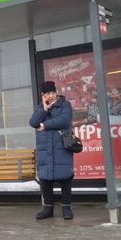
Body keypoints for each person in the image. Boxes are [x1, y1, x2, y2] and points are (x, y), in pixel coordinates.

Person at [29, 81, 75, 220]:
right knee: (45, 180)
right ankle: (47, 209)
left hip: (61, 146)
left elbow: (64, 120)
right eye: (47, 94)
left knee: (65, 178)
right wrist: (44, 108)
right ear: (43, 95)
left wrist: (45, 125)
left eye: (52, 93)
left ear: (56, 92)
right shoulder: (40, 108)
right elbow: (33, 123)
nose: (51, 95)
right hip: (44, 148)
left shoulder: (65, 104)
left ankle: (66, 208)